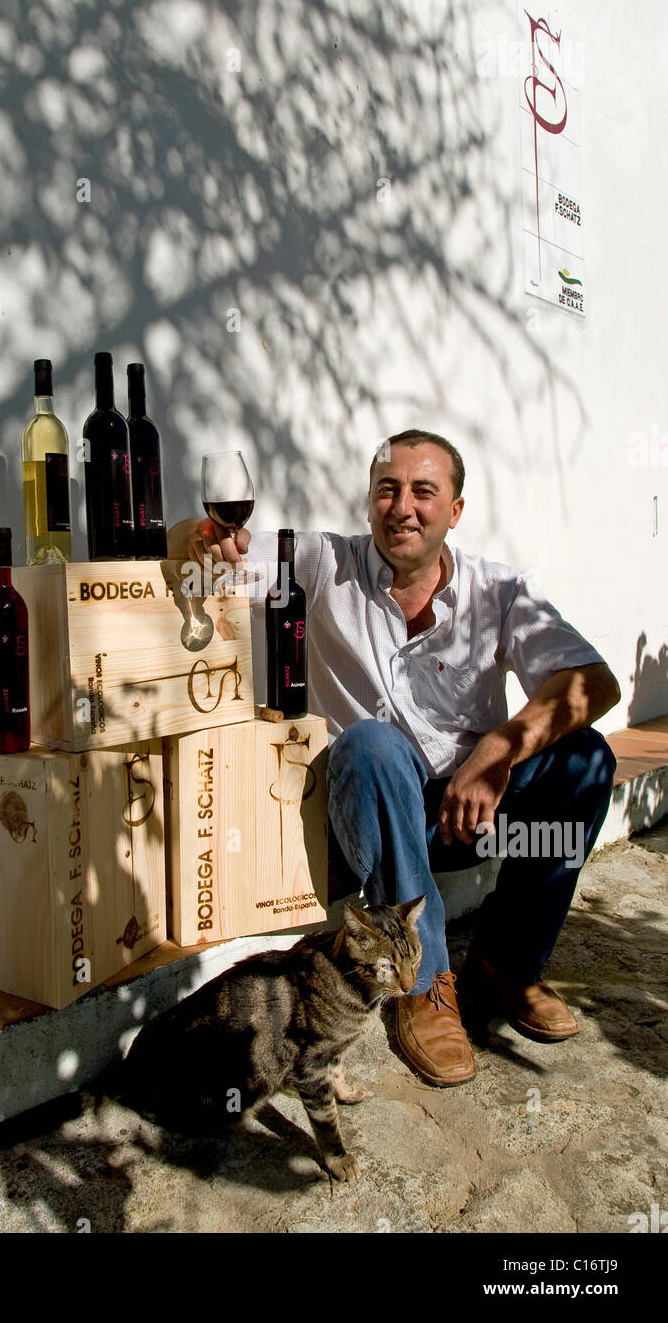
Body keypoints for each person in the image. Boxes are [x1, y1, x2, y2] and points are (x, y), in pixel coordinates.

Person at [166, 431, 619, 1087]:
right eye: (387, 490)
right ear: (369, 503)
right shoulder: (322, 562)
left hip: (470, 813)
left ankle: (506, 963)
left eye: (423, 491)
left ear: (455, 511)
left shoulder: (501, 591)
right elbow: (210, 560)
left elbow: (593, 683)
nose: (402, 507)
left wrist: (496, 752)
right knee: (372, 743)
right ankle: (425, 982)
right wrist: (196, 534)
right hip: (371, 822)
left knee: (586, 759)